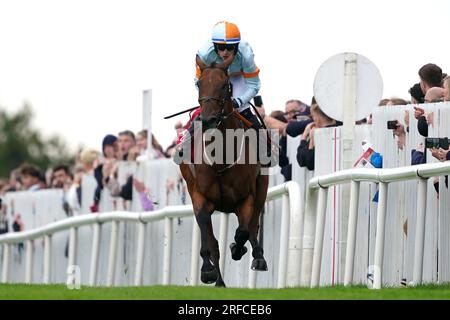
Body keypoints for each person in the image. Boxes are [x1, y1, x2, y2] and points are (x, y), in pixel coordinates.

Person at [176, 21, 263, 158]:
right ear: (214, 46)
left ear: (237, 46)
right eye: (221, 47)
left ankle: (266, 149)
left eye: (230, 47)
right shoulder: (204, 53)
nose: (225, 52)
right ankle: (185, 142)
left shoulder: (246, 53)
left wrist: (238, 102)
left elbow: (254, 85)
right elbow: (198, 81)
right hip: (214, 81)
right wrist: (210, 99)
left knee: (243, 110)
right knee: (208, 111)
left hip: (239, 78)